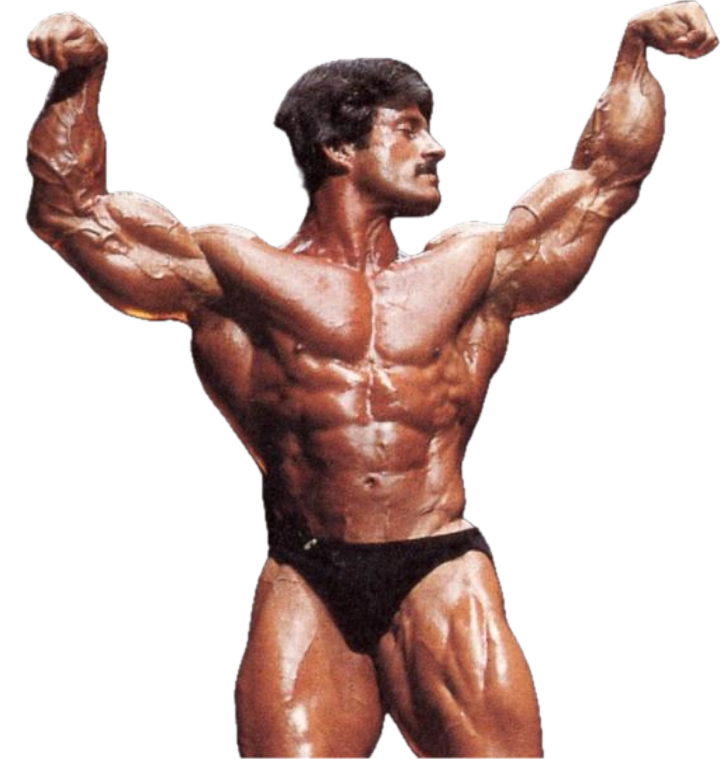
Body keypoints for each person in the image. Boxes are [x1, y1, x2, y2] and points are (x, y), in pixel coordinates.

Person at [24, 5, 717, 758]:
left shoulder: (472, 266)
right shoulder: (235, 272)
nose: (436, 147)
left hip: (438, 560)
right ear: (336, 147)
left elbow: (604, 179)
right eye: (408, 130)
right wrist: (81, 76)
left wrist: (635, 51)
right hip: (307, 570)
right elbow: (70, 213)